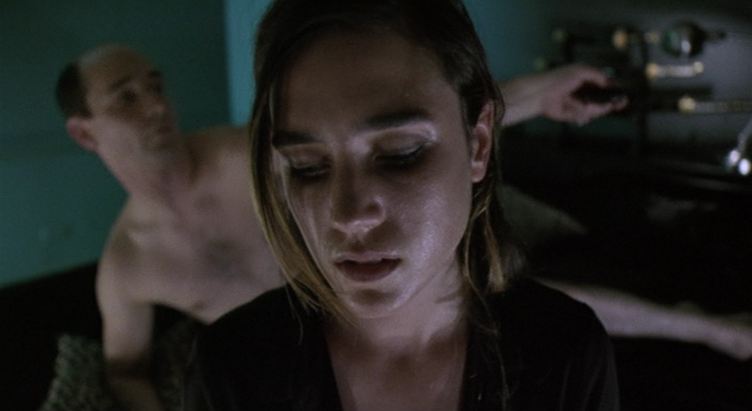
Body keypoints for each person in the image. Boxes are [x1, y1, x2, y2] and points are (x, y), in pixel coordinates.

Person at [184, 1, 620, 410]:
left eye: (400, 155)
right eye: (308, 167)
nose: (349, 216)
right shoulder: (233, 368)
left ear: (479, 144)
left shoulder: (564, 351)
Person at [54, 44, 283, 411]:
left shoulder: (249, 156)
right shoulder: (127, 265)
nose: (158, 107)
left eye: (156, 87)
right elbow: (126, 373)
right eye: (126, 98)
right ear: (85, 134)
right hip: (278, 375)